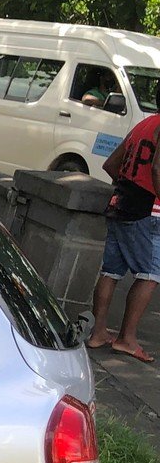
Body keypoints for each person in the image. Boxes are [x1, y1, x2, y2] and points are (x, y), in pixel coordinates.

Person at [91, 111, 160, 361]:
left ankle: (98, 332)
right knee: (150, 274)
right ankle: (126, 339)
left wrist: (128, 188)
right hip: (147, 209)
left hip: (120, 202)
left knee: (111, 271)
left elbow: (111, 164)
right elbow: (157, 167)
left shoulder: (144, 124)